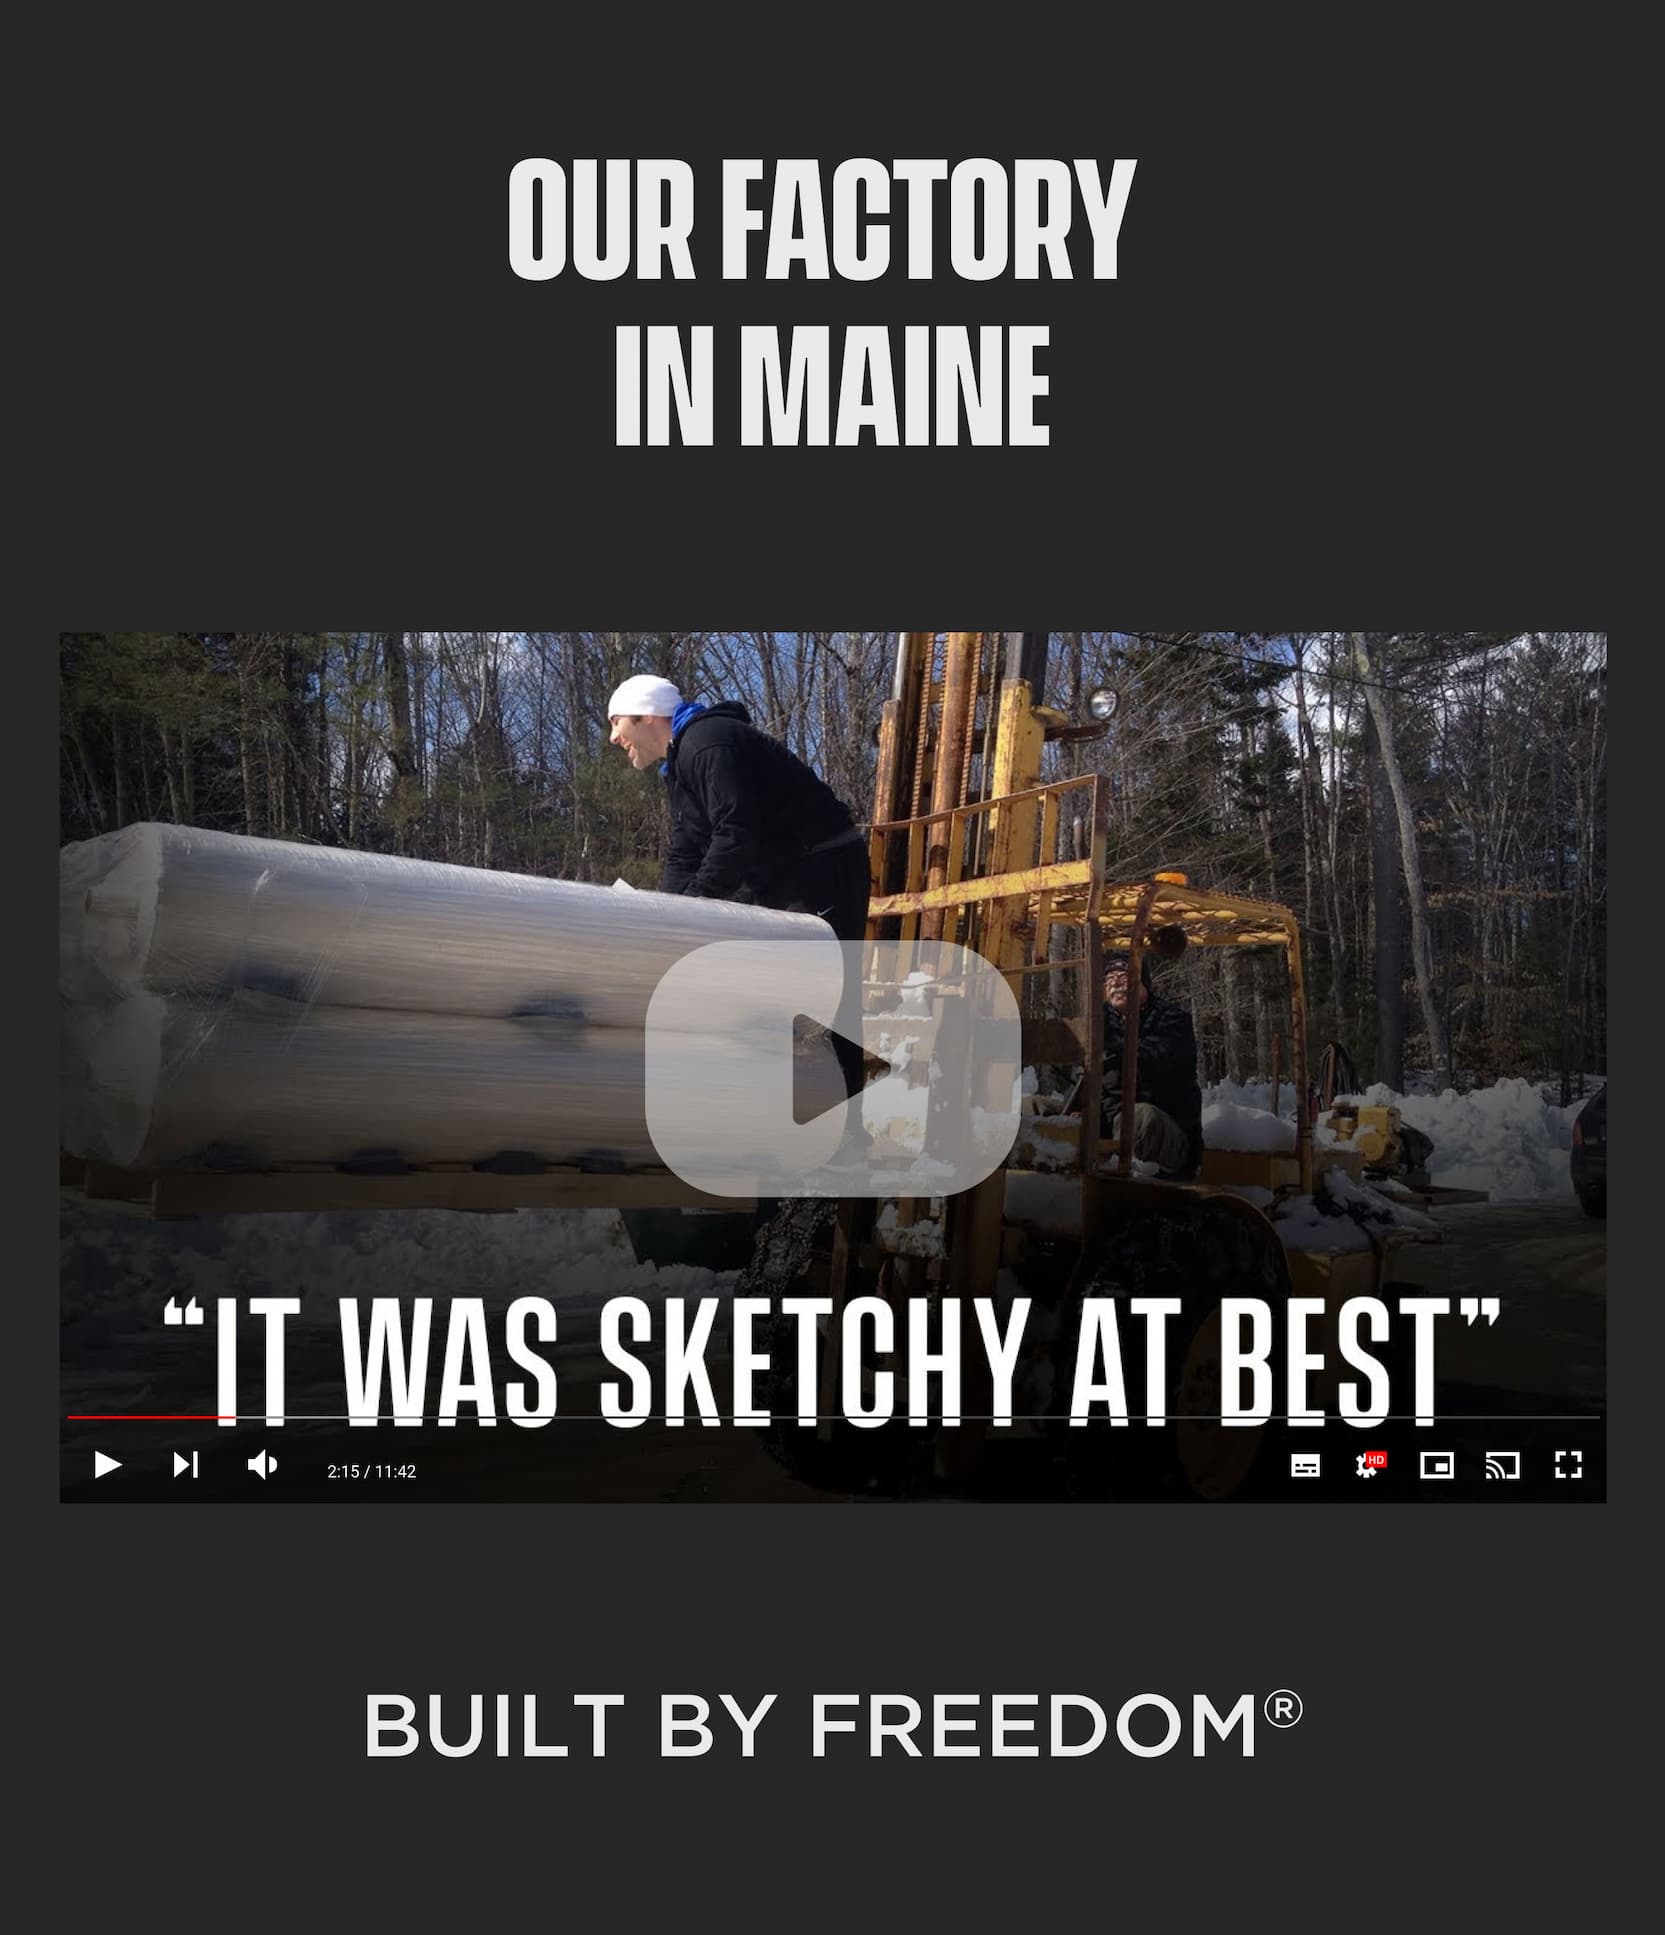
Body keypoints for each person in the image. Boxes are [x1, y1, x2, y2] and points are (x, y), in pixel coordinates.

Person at [606, 673, 871, 1100]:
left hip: (821, 866)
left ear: (646, 716)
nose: (614, 738)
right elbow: (686, 850)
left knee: (827, 996)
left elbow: (735, 834)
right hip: (776, 873)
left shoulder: (708, 742)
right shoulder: (681, 765)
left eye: (616, 722)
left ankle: (845, 1131)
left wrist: (691, 906)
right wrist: (664, 914)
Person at [1098, 949, 1204, 1180]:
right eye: (1109, 979)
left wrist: (1111, 1042)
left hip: (1167, 1133)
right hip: (1106, 1123)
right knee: (1031, 1109)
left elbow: (1150, 1061)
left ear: (1143, 983)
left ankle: (1129, 1177)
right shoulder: (1100, 1021)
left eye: (1123, 977)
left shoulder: (1172, 1020)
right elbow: (1082, 1074)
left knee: (1139, 1118)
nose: (1115, 984)